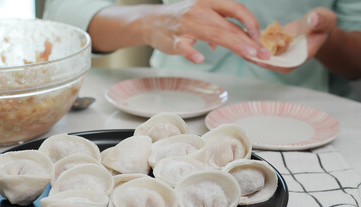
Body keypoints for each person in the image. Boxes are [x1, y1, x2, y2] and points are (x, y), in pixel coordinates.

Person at [43, 0, 361, 98]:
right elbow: (63, 16)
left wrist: (325, 36)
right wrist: (149, 21)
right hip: (172, 103)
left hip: (300, 111)